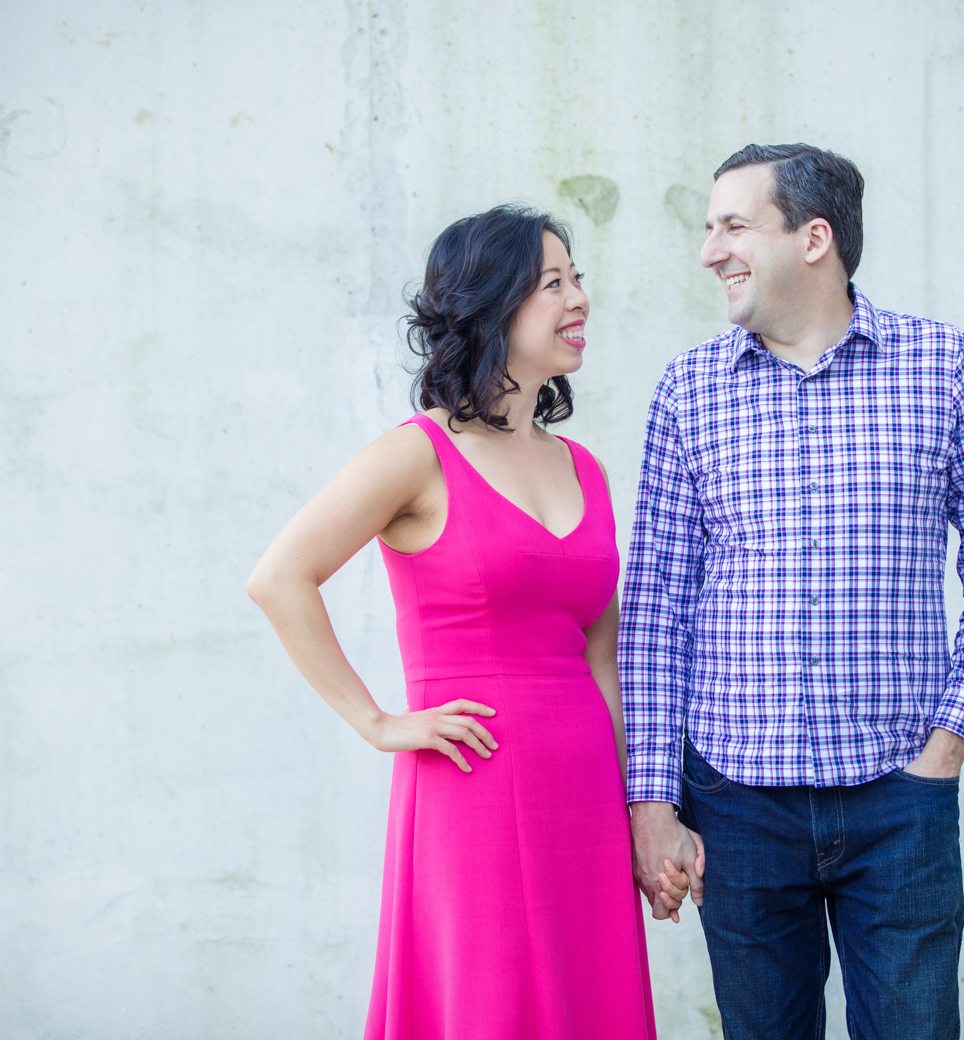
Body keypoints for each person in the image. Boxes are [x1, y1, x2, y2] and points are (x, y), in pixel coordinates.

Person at [620, 145, 964, 1040]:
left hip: (900, 798)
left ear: (814, 239)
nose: (710, 251)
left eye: (733, 226)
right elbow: (654, 610)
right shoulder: (689, 390)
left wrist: (947, 749)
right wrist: (651, 802)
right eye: (709, 229)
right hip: (735, 803)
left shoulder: (943, 366)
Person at [248, 205, 685, 1040]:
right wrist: (378, 722)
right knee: (484, 1004)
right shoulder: (416, 454)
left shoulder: (585, 468)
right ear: (492, 305)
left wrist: (637, 811)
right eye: (553, 283)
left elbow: (602, 659)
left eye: (577, 278)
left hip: (586, 799)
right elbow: (279, 579)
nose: (579, 298)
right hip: (472, 786)